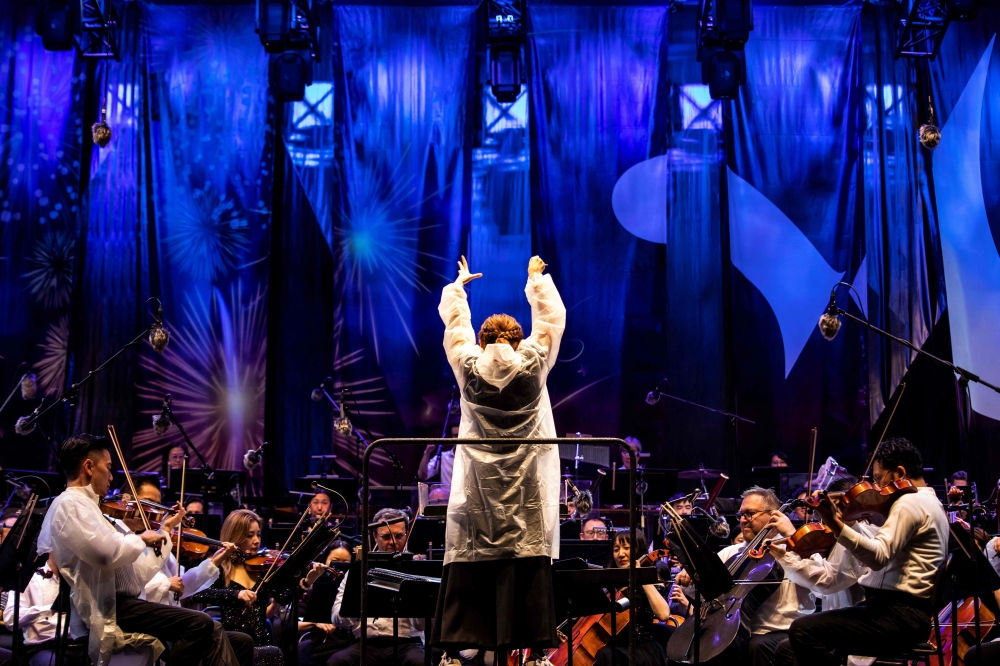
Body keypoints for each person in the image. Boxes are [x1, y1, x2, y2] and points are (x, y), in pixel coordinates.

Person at [432, 254, 566, 654]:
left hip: (479, 489)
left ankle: (456, 653)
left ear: (482, 341)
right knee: (525, 556)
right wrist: (536, 280)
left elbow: (455, 329)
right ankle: (535, 651)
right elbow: (551, 322)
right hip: (525, 490)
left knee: (473, 559)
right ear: (518, 340)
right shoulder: (534, 363)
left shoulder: (468, 366)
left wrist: (458, 290)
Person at [37, 433, 242, 666]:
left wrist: (165, 530)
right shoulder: (70, 503)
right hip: (110, 606)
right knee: (200, 623)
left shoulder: (91, 507)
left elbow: (137, 574)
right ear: (89, 467)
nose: (111, 477)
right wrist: (143, 539)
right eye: (108, 468)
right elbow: (106, 555)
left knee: (218, 631)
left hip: (126, 602)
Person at [787, 438, 949, 665]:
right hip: (902, 613)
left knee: (803, 631)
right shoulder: (930, 502)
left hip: (898, 616)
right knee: (790, 647)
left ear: (899, 473)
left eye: (879, 478)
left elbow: (878, 557)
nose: (878, 488)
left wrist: (834, 523)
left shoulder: (910, 503)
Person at [676, 486, 815, 666]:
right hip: (735, 631)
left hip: (781, 630)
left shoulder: (796, 550)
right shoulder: (731, 552)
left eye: (750, 514)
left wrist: (793, 536)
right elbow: (705, 593)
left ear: (773, 516)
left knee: (756, 646)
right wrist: (692, 576)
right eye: (741, 515)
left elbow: (818, 578)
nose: (743, 520)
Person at [329, 509, 427, 666]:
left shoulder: (417, 569)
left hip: (407, 643)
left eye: (399, 536)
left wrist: (414, 593)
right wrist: (357, 605)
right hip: (366, 643)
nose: (393, 542)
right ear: (375, 536)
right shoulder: (359, 570)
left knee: (420, 662)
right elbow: (336, 617)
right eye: (386, 536)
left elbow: (422, 625)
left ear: (407, 535)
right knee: (338, 661)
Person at [192, 509, 284, 666]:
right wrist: (235, 594)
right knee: (273, 653)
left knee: (272, 652)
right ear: (235, 537)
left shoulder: (264, 567)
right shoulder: (222, 568)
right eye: (249, 535)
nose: (256, 541)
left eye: (258, 534)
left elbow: (283, 597)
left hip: (262, 642)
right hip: (234, 645)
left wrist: (305, 581)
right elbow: (197, 593)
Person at [592, 531, 669, 666]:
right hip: (611, 649)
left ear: (638, 549)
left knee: (605, 656)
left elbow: (663, 614)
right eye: (616, 549)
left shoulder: (651, 583)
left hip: (640, 653)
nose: (620, 554)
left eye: (626, 548)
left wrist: (641, 576)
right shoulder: (609, 586)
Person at [3, 552, 66, 666]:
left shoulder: (82, 580)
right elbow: (10, 619)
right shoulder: (29, 577)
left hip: (78, 646)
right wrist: (51, 609)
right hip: (43, 648)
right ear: (49, 547)